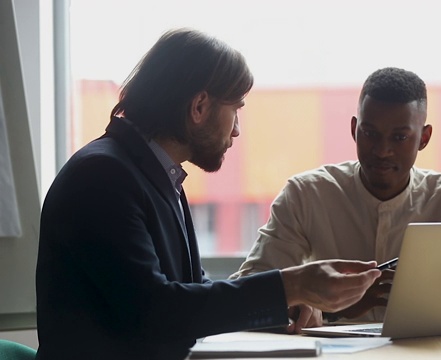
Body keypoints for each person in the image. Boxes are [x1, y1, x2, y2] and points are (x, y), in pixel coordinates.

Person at [34, 28, 382, 360]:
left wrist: (285, 303)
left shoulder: (155, 175)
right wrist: (291, 285)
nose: (237, 129)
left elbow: (191, 291)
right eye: (236, 109)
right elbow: (156, 312)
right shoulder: (103, 177)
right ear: (199, 106)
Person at [230, 67, 441, 330]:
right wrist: (327, 305)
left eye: (400, 137)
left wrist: (434, 301)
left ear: (424, 138)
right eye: (370, 133)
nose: (382, 150)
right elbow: (249, 292)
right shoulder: (306, 195)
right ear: (354, 129)